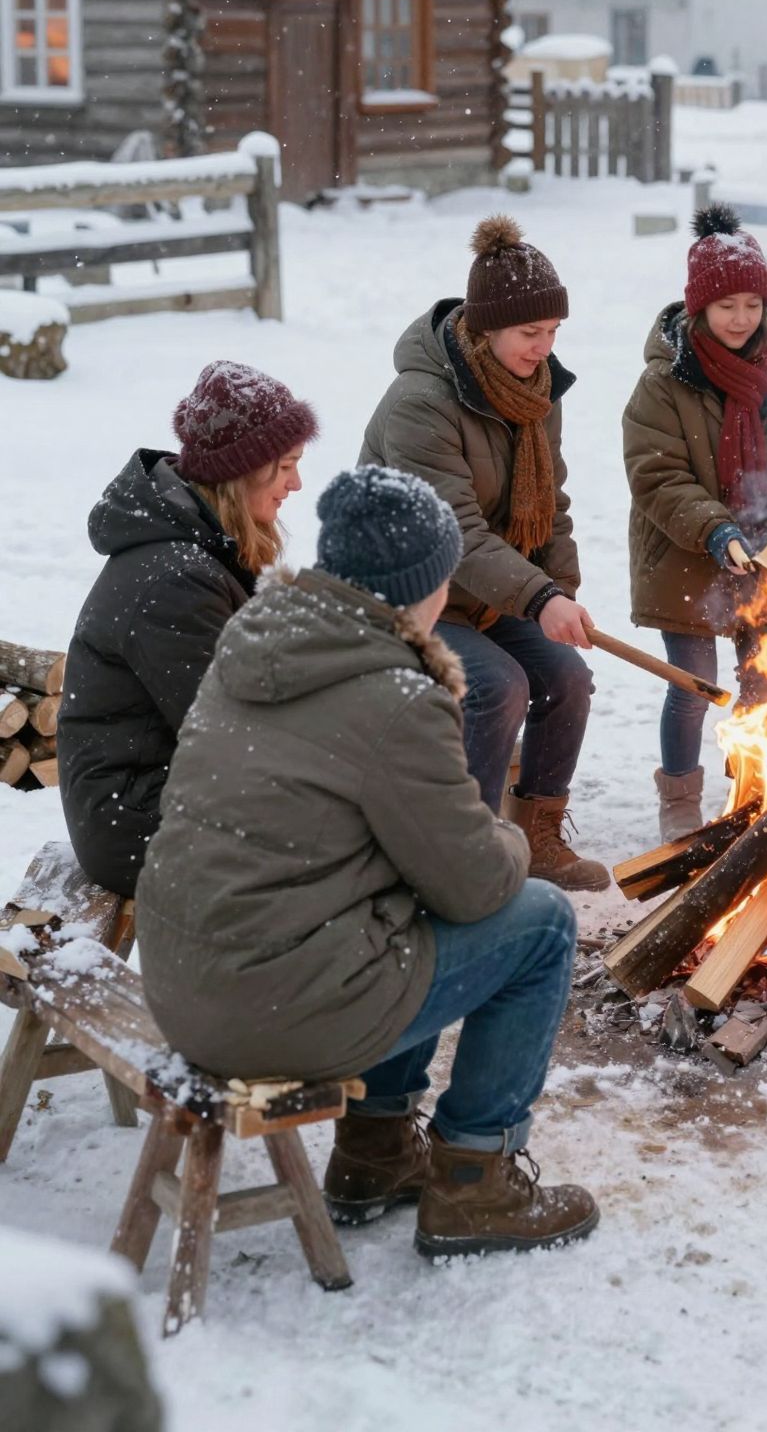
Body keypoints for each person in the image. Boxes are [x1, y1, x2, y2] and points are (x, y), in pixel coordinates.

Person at [134, 465, 597, 1258]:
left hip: (186, 983)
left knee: (412, 901)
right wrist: (516, 838)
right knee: (543, 922)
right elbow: (478, 881)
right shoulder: (393, 695)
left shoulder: (254, 646)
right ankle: (475, 1181)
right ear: (417, 588)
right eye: (443, 581)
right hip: (273, 1009)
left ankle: (375, 1152)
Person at [359, 215, 605, 891]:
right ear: (486, 327)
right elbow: (453, 530)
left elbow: (549, 506)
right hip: (408, 596)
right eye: (531, 334)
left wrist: (561, 593)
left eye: (554, 332)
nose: (544, 347)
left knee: (568, 678)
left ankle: (539, 838)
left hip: (493, 597)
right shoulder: (422, 404)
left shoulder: (535, 392)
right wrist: (540, 597)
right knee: (498, 687)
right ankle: (463, 854)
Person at [57, 361, 316, 898]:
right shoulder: (173, 580)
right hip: (134, 819)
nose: (296, 483)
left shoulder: (197, 547)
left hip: (165, 787)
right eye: (287, 465)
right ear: (243, 470)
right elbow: (235, 729)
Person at [623, 204, 767, 839]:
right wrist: (717, 530)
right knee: (695, 684)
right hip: (686, 551)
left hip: (765, 551)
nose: (741, 319)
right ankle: (679, 797)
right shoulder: (664, 382)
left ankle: (752, 789)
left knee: (766, 679)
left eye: (751, 304)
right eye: (725, 307)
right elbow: (657, 474)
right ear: (698, 311)